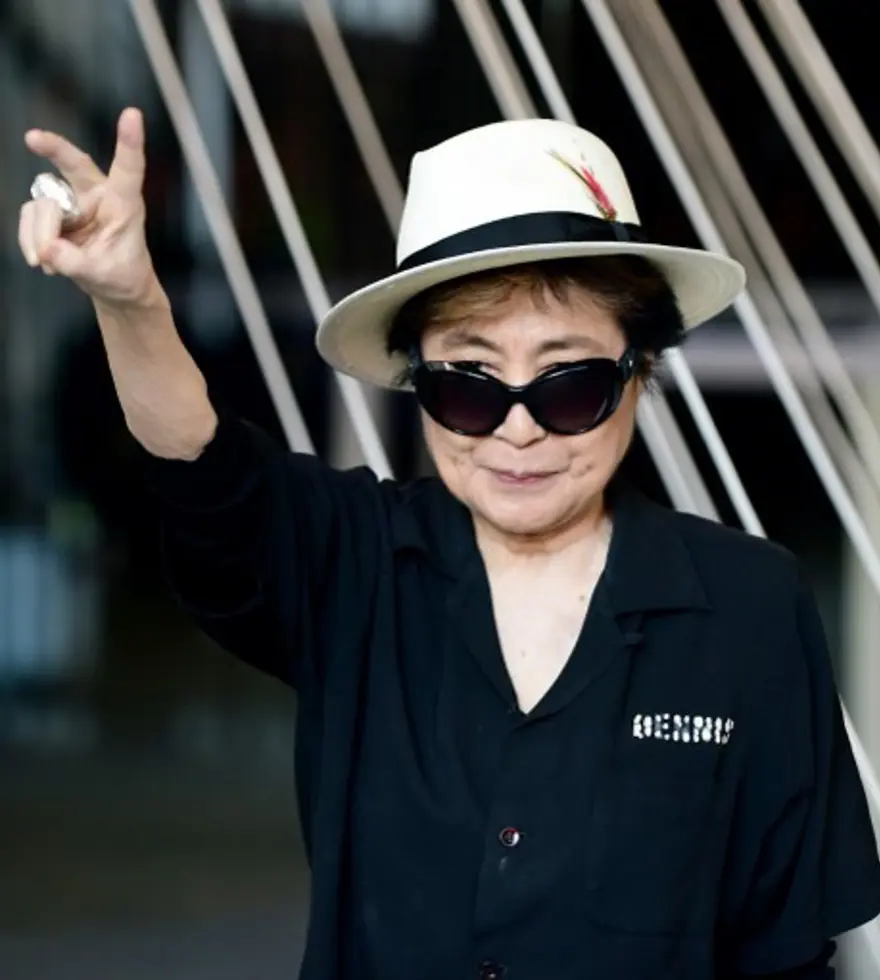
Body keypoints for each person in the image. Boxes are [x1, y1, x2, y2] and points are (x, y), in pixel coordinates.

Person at [18, 107, 880, 980]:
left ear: (639, 371)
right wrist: (132, 305)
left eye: (569, 385)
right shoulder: (354, 564)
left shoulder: (750, 609)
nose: (518, 431)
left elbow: (789, 954)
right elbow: (204, 469)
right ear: (416, 379)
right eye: (469, 387)